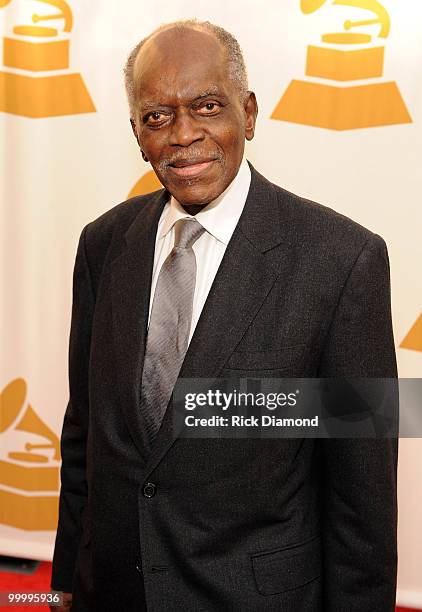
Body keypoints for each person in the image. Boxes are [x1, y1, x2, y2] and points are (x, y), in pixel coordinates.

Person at [50, 19, 398, 612]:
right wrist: (61, 593)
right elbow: (86, 440)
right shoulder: (103, 244)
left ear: (250, 113)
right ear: (136, 132)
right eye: (157, 116)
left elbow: (361, 501)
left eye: (208, 106)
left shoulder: (344, 261)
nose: (183, 135)